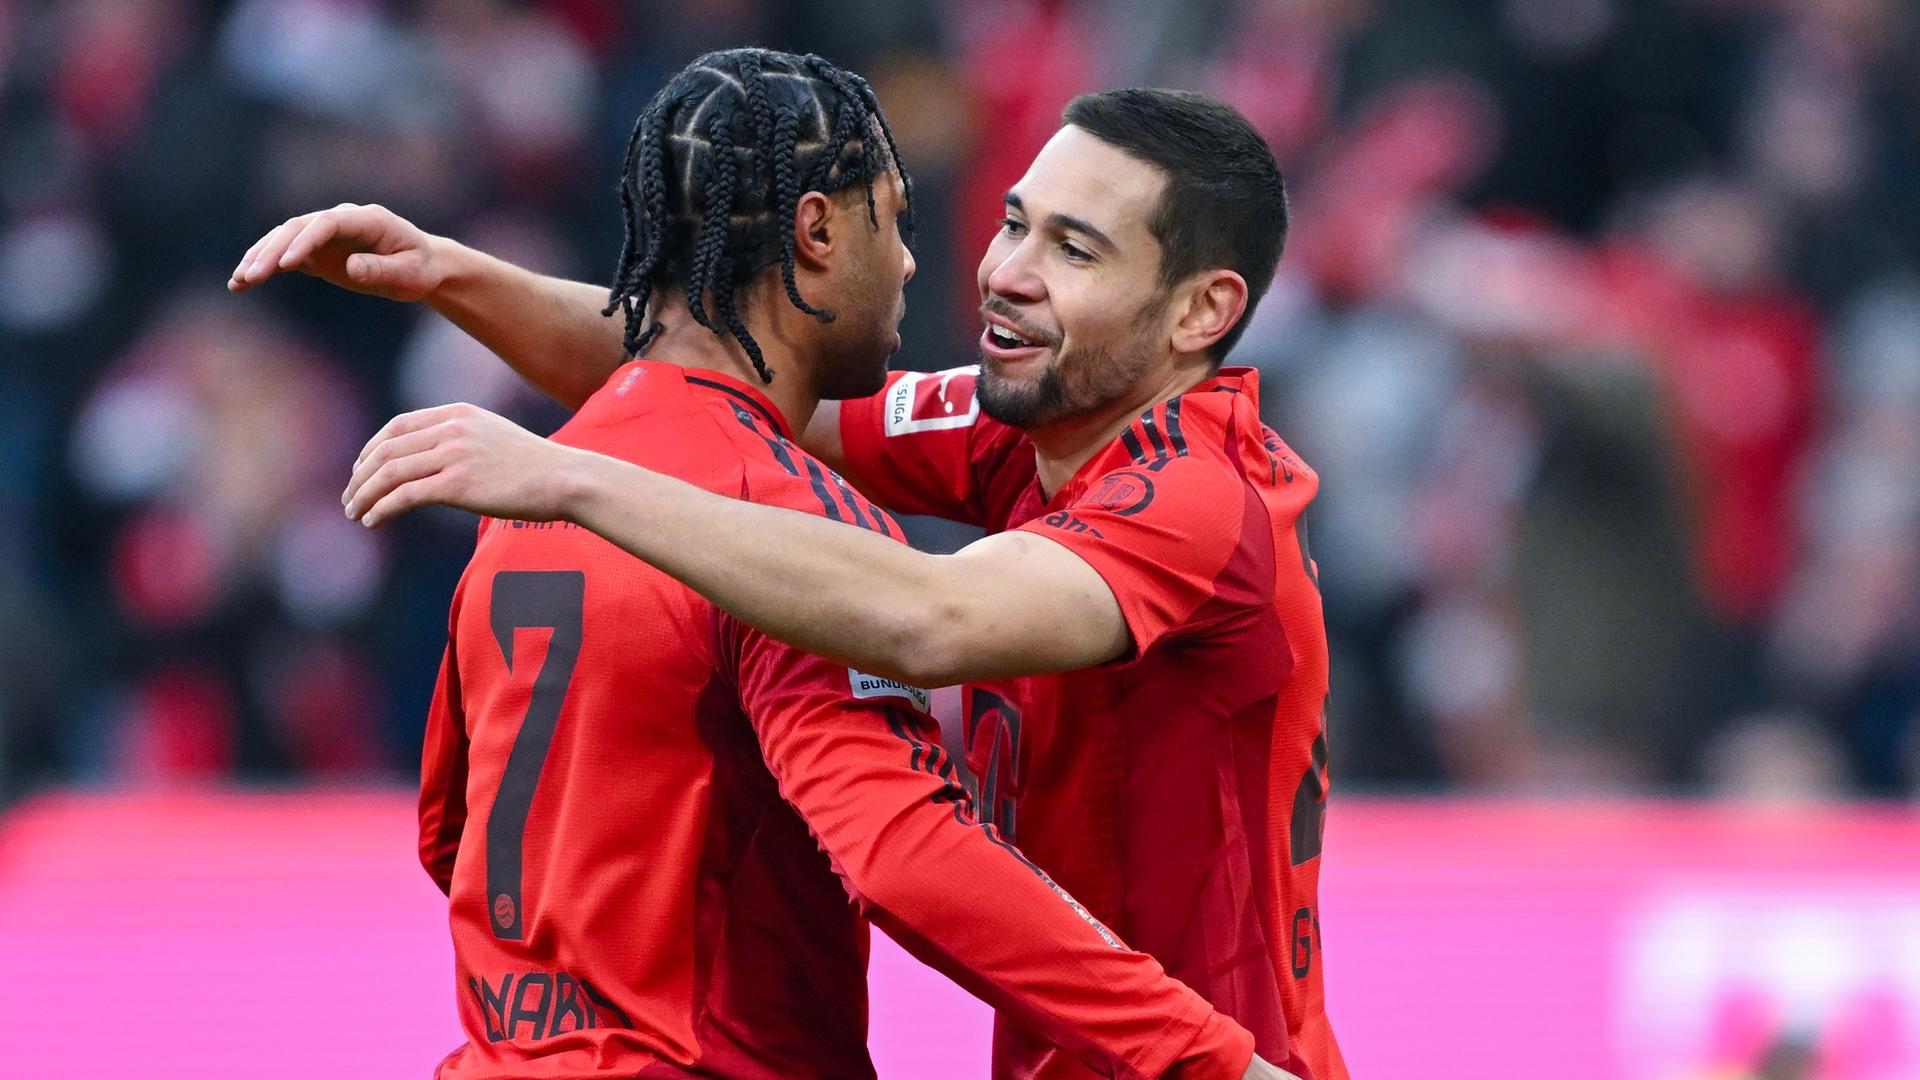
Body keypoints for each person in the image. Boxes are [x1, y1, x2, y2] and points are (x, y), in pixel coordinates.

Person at [239, 84, 1338, 1080]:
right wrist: (452, 276)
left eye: (1076, 251)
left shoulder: (1195, 494)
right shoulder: (1028, 430)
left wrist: (577, 475)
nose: (1000, 271)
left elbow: (932, 616)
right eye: (1013, 223)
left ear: (1202, 313)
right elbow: (731, 378)